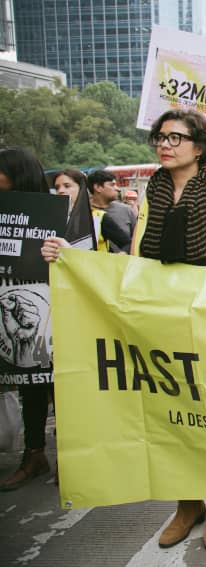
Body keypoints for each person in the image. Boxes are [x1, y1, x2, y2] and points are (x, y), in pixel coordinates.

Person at [43, 109, 206, 550]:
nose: (165, 144)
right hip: (159, 322)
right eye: (160, 137)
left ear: (200, 147)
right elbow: (135, 263)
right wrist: (72, 258)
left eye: (176, 138)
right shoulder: (149, 200)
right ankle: (186, 503)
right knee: (166, 414)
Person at [0, 149, 55, 491]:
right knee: (30, 384)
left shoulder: (54, 213)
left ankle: (73, 458)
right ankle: (34, 454)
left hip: (53, 309)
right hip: (14, 306)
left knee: (62, 386)